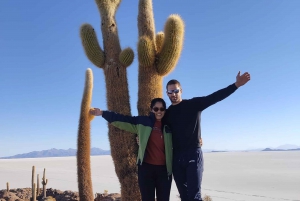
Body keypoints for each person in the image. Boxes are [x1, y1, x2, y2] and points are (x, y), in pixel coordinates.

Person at [165, 71, 251, 201]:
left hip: (193, 154)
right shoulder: (167, 114)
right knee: (184, 196)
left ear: (181, 90)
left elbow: (214, 97)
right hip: (176, 158)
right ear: (167, 94)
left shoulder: (193, 104)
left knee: (194, 196)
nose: (173, 94)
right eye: (170, 92)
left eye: (176, 91)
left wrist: (236, 85)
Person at [89, 98, 173, 201]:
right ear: (151, 109)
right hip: (146, 169)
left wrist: (198, 139)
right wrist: (102, 113)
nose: (159, 111)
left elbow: (183, 134)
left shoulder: (169, 125)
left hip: (164, 171)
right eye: (156, 109)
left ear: (165, 110)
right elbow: (123, 120)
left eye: (162, 109)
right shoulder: (142, 122)